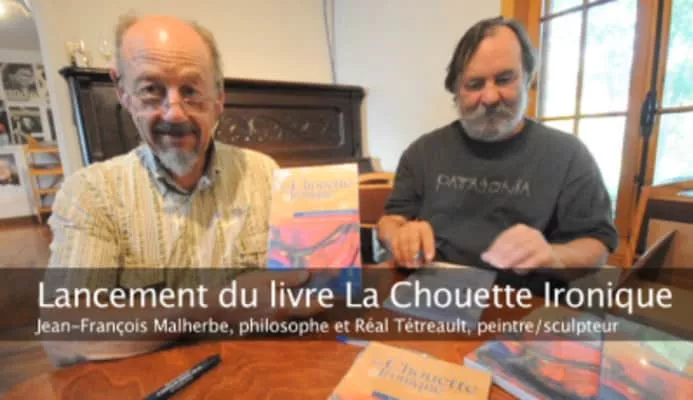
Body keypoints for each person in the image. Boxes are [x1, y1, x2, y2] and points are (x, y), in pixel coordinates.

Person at [44, 14, 315, 366]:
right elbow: (64, 337)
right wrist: (217, 306)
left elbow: (305, 285)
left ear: (219, 99)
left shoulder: (265, 174)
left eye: (191, 91)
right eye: (151, 90)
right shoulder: (91, 194)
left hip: (259, 371)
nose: (174, 113)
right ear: (124, 95)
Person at [376, 17, 618, 277]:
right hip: (436, 291)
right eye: (474, 84)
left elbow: (598, 247)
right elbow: (391, 220)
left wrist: (553, 255)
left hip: (527, 297)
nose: (490, 97)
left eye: (504, 79)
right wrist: (398, 236)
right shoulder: (422, 152)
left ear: (528, 78)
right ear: (456, 89)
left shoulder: (569, 155)